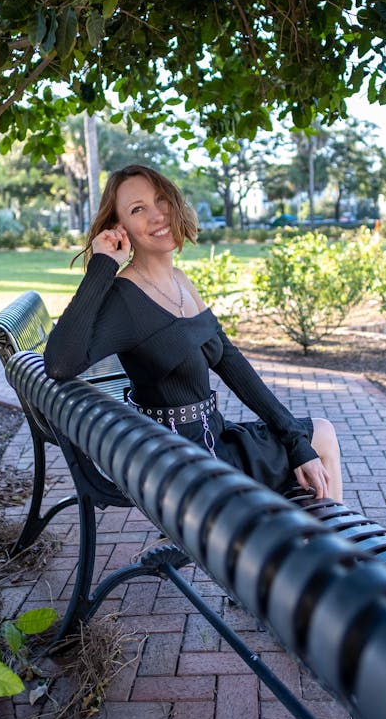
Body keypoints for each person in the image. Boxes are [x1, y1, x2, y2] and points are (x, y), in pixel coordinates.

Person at [44, 164, 342, 501]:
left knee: (318, 437)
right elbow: (60, 364)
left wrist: (294, 439)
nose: (158, 215)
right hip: (186, 463)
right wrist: (103, 264)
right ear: (119, 228)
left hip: (212, 440)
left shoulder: (180, 280)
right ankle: (333, 551)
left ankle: (329, 547)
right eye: (138, 209)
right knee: (323, 444)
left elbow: (231, 362)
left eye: (161, 200)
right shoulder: (125, 299)